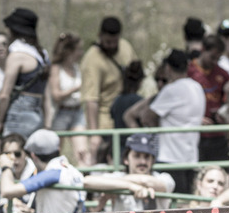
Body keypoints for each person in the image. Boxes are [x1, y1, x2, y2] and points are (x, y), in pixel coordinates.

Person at [125, 49, 204, 194]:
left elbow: (146, 117)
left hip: (170, 158)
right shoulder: (197, 87)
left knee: (171, 204)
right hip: (191, 157)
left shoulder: (171, 89)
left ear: (168, 68)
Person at [80, 16, 138, 164]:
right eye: (107, 42)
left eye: (114, 42)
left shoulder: (125, 47)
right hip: (105, 124)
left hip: (126, 119)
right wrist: (94, 134)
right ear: (100, 36)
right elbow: (91, 100)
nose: (111, 46)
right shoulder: (92, 59)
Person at [0, 8, 48, 142]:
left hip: (19, 115)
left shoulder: (17, 55)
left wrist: (0, 121)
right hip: (38, 112)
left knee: (12, 155)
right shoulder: (41, 55)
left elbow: (4, 95)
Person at [188, 35, 229, 163]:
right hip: (197, 134)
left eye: (218, 59)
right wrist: (196, 119)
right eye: (212, 57)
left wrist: (224, 116)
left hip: (218, 134)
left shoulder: (223, 74)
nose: (214, 62)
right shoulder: (189, 71)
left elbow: (228, 103)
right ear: (203, 50)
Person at [48, 31, 87, 163]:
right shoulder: (56, 68)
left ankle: (83, 178)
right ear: (69, 51)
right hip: (61, 113)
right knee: (55, 151)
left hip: (77, 111)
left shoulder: (77, 68)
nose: (81, 53)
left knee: (82, 152)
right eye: (78, 49)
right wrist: (75, 89)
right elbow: (56, 95)